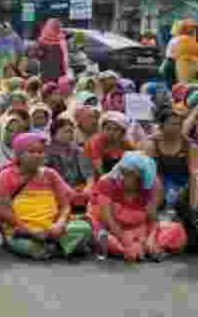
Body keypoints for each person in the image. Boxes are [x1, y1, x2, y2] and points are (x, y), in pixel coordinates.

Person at [0, 133, 94, 260]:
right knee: (27, 246)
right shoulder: (6, 175)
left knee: (84, 228)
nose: (37, 155)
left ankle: (53, 247)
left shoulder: (50, 174)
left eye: (40, 152)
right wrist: (30, 231)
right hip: (22, 230)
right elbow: (4, 212)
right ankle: (62, 247)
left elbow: (65, 206)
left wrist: (60, 224)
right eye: (31, 151)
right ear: (19, 155)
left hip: (52, 227)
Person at [91, 152, 187, 261]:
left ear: (141, 176)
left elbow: (153, 220)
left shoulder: (149, 188)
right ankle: (131, 251)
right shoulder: (106, 183)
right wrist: (125, 240)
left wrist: (150, 239)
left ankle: (145, 249)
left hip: (141, 231)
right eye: (123, 171)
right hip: (113, 231)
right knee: (104, 238)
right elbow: (107, 219)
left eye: (131, 173)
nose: (124, 176)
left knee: (176, 229)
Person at [143, 107, 198, 251]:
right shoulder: (151, 143)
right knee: (156, 183)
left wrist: (193, 206)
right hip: (158, 185)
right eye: (172, 124)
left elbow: (194, 173)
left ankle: (192, 217)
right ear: (161, 126)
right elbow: (149, 174)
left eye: (179, 124)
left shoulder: (189, 145)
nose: (177, 127)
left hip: (183, 186)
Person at [85, 111, 136, 184]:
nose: (111, 132)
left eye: (115, 130)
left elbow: (137, 157)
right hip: (99, 179)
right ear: (102, 129)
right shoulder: (96, 141)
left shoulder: (125, 142)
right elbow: (100, 169)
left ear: (122, 132)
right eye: (108, 128)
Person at [37, 19, 70, 83]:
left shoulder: (42, 41)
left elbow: (38, 57)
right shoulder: (61, 40)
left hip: (46, 74)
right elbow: (65, 60)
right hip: (58, 75)